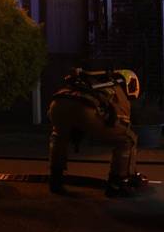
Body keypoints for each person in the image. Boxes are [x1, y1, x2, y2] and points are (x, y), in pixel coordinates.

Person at [47, 69, 148, 197]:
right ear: (129, 83)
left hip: (58, 104)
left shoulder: (92, 83)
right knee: (128, 139)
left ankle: (55, 179)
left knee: (59, 137)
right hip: (84, 107)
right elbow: (122, 122)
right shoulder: (117, 89)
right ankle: (117, 184)